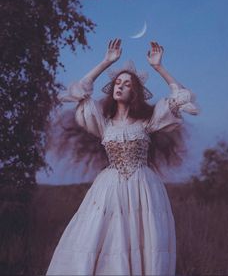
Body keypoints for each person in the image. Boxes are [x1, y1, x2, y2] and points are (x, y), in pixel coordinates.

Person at [46, 38, 199, 275]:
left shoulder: (148, 122)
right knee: (101, 243)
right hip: (109, 190)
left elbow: (180, 98)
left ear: (135, 92)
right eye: (117, 82)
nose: (120, 86)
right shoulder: (103, 124)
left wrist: (159, 68)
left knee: (143, 244)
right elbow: (80, 91)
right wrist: (106, 62)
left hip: (144, 190)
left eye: (127, 84)